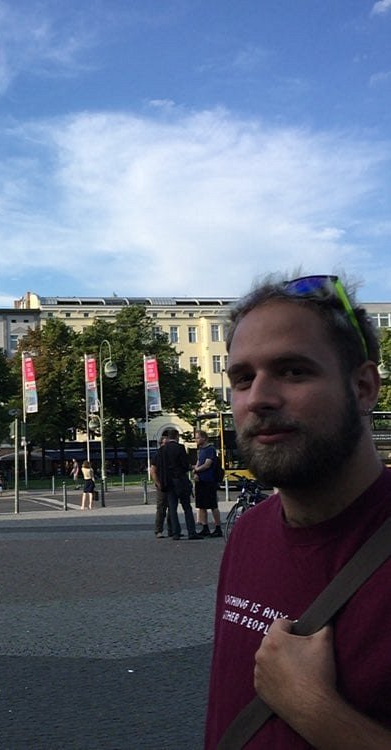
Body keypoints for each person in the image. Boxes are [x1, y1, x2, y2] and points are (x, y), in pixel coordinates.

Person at [205, 273, 391, 748]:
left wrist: (313, 707)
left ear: (363, 387)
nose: (258, 399)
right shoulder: (248, 533)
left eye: (293, 371)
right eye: (242, 378)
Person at [152, 429, 202, 540]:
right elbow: (185, 465)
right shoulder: (180, 448)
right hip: (180, 480)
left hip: (168, 482)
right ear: (176, 436)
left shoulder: (162, 450)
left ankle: (175, 533)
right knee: (187, 507)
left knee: (172, 508)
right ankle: (191, 532)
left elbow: (159, 467)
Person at [192, 429, 222, 537]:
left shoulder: (210, 449)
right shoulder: (201, 450)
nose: (196, 440)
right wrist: (196, 472)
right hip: (200, 481)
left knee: (213, 505)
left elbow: (207, 464)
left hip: (209, 480)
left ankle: (218, 528)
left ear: (204, 438)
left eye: (198, 438)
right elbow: (198, 462)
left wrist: (197, 470)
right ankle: (205, 527)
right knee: (201, 505)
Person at [149, 434, 169, 538]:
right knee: (161, 508)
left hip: (170, 484)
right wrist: (158, 483)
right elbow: (153, 471)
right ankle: (158, 530)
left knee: (172, 509)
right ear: (161, 444)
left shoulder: (169, 455)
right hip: (162, 485)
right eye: (165, 443)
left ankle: (172, 530)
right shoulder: (157, 455)